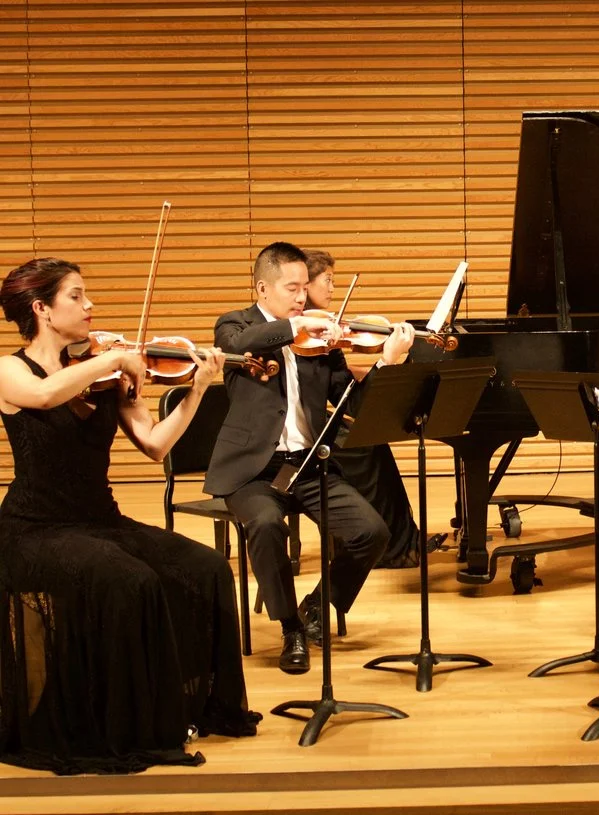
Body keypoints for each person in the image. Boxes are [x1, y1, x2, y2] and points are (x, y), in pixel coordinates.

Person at [0, 258, 260, 775]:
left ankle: (184, 709)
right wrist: (112, 361)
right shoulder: (11, 369)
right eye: (76, 296)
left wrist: (199, 389)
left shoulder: (107, 375)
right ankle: (127, 726)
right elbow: (46, 394)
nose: (90, 305)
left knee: (204, 566)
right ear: (41, 310)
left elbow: (155, 447)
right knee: (130, 580)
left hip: (100, 519)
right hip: (33, 528)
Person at [204, 242, 415, 675]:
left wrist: (387, 365)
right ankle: (290, 629)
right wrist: (295, 326)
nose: (303, 298)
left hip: (308, 466)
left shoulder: (321, 338)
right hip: (252, 473)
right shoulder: (235, 324)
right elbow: (242, 344)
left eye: (305, 288)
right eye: (292, 288)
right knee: (264, 525)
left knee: (372, 532)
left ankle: (319, 606)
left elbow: (354, 403)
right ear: (263, 288)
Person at [302, 249, 445, 569]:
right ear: (305, 285)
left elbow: (348, 400)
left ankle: (404, 538)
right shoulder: (292, 330)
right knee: (364, 446)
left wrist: (375, 369)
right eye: (327, 281)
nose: (332, 289)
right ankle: (389, 547)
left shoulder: (328, 333)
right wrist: (384, 362)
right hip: (299, 432)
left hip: (319, 422)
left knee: (373, 441)